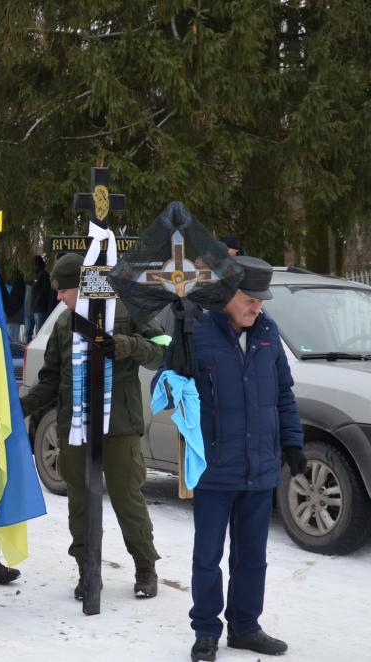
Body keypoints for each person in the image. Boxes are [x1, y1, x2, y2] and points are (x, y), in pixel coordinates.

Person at [19, 252, 164, 601]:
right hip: (77, 427)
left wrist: (127, 346)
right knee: (80, 502)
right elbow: (51, 379)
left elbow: (162, 348)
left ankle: (145, 566)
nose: (57, 297)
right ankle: (87, 569)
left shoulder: (125, 311)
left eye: (62, 289)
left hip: (120, 425)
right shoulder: (66, 325)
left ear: (79, 286)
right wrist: (19, 407)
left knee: (127, 498)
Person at [183, 256, 303, 662]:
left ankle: (246, 627)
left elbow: (283, 394)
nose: (258, 307)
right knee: (207, 557)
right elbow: (173, 388)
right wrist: (174, 353)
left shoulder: (269, 334)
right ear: (227, 294)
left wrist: (293, 444)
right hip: (215, 467)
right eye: (251, 299)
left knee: (252, 557)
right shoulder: (197, 334)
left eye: (261, 300)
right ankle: (205, 631)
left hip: (260, 465)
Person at [23, 256, 52, 342]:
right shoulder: (36, 275)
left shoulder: (43, 275)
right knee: (28, 331)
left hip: (40, 308)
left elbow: (47, 291)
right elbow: (30, 282)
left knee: (39, 332)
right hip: (33, 308)